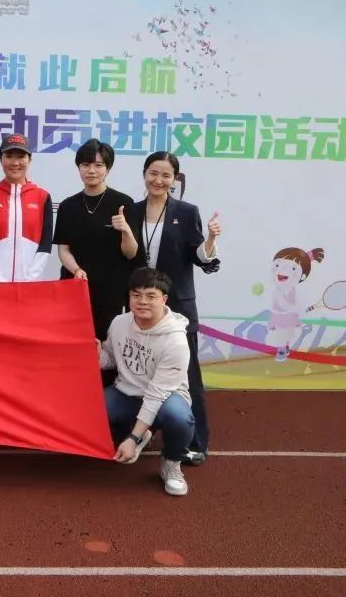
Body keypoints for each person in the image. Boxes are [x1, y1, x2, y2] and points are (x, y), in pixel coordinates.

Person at [127, 151, 222, 467]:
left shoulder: (187, 211)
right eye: (153, 173)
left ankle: (195, 442)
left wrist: (211, 238)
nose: (158, 180)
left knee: (188, 376)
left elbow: (200, 256)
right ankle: (141, 433)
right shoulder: (130, 210)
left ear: (174, 179)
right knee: (137, 372)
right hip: (140, 306)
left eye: (166, 175)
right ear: (144, 174)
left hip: (178, 306)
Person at [99, 267, 196, 497]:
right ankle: (141, 434)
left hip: (165, 399)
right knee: (94, 411)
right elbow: (111, 358)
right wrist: (96, 356)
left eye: (151, 296)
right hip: (126, 393)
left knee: (180, 418)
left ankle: (171, 463)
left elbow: (156, 395)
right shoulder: (119, 322)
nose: (142, 301)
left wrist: (133, 439)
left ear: (164, 299)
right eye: (136, 295)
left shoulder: (175, 341)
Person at [53, 139, 139, 341]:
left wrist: (126, 230)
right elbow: (63, 250)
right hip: (75, 287)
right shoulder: (67, 206)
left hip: (111, 291)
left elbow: (131, 253)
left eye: (99, 165)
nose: (91, 170)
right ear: (79, 167)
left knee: (108, 345)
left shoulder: (123, 203)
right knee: (73, 342)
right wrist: (76, 269)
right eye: (86, 164)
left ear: (108, 169)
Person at [0, 133, 54, 282]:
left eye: (21, 156)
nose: (15, 162)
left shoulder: (43, 197)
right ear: (1, 159)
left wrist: (29, 281)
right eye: (9, 156)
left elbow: (45, 245)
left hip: (30, 285)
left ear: (30, 159)